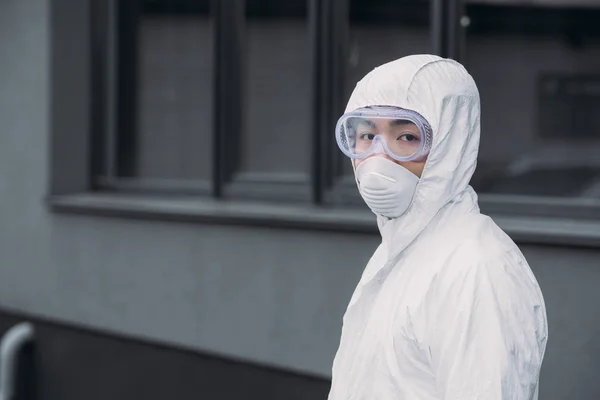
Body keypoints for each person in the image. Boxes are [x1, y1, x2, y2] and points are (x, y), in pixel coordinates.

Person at [328, 54, 548, 400]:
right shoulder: (397, 251)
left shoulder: (476, 269)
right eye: (368, 135)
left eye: (406, 138)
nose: (377, 158)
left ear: (450, 144)